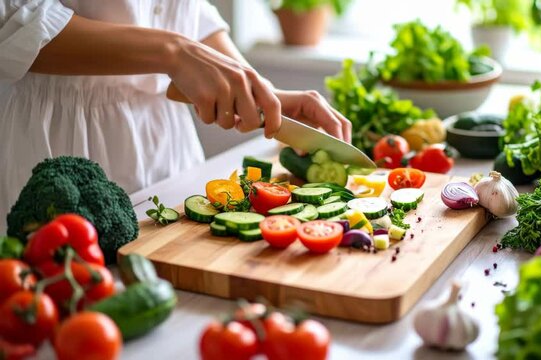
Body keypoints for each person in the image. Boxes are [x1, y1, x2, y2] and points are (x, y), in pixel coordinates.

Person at [0, 0, 352, 233]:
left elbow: (185, 9)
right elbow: (11, 16)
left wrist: (258, 91)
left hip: (171, 144)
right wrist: (173, 52)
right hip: (63, 141)